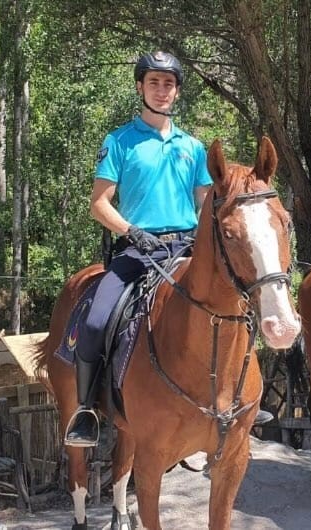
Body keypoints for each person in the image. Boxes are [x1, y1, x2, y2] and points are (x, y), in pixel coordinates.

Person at [66, 51, 213, 447]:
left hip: (186, 248)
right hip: (138, 251)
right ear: (139, 87)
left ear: (177, 92)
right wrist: (132, 231)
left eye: (168, 84)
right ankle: (85, 411)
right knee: (96, 321)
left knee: (236, 306)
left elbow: (205, 201)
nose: (161, 90)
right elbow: (99, 203)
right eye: (154, 82)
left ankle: (235, 398)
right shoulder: (119, 141)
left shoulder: (194, 148)